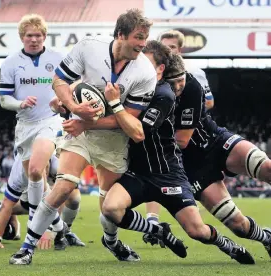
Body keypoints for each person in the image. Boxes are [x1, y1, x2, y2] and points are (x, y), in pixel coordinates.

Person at [9, 9, 157, 265]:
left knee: (108, 207)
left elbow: (129, 119)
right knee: (63, 186)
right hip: (81, 131)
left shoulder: (145, 72)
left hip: (112, 138)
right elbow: (59, 81)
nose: (143, 44)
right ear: (121, 34)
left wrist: (88, 122)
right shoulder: (89, 47)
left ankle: (113, 243)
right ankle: (27, 248)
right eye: (139, 37)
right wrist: (75, 108)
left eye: (146, 38)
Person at [101, 41, 254, 264]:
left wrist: (114, 104)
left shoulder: (164, 94)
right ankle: (157, 231)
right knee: (111, 209)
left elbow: (139, 133)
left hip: (168, 173)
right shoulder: (132, 86)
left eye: (146, 63)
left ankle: (225, 243)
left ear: (160, 69)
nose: (138, 67)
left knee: (197, 231)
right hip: (140, 174)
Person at [143, 52, 271, 259]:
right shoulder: (149, 92)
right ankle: (267, 238)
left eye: (180, 81)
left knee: (266, 167)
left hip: (215, 141)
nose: (178, 88)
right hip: (191, 167)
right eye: (172, 83)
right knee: (238, 225)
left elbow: (182, 139)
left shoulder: (192, 84)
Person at [145, 29, 214, 226]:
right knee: (154, 168)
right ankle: (153, 220)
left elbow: (209, 102)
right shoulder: (155, 73)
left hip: (186, 132)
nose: (168, 50)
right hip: (162, 131)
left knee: (189, 175)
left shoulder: (195, 73)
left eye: (172, 47)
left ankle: (194, 208)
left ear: (180, 49)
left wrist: (186, 113)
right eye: (165, 46)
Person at [0, 152, 84, 249]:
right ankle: (3, 214)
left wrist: (50, 228)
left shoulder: (57, 165)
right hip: (26, 202)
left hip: (47, 198)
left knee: (73, 197)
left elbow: (62, 195)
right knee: (3, 207)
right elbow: (7, 204)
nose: (43, 171)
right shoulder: (18, 173)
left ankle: (65, 232)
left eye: (45, 167)